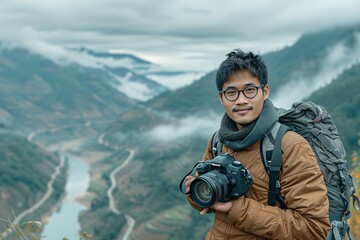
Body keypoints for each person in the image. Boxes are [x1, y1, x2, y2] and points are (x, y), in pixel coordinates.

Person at [184, 49, 330, 239]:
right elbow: (207, 198)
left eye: (250, 90)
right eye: (231, 93)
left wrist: (238, 209)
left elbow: (314, 228)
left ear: (265, 92)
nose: (241, 100)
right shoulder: (217, 141)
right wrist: (195, 192)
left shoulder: (289, 146)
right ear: (221, 98)